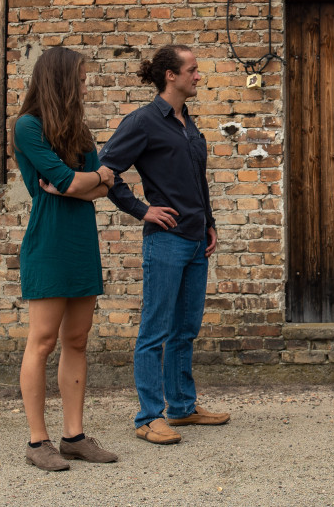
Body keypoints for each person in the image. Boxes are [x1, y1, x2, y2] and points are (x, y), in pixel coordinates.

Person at [99, 44, 229, 446]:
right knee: (154, 331)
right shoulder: (142, 122)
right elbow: (107, 172)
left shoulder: (187, 123)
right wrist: (142, 210)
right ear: (170, 75)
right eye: (192, 70)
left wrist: (209, 223)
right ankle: (147, 417)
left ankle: (183, 407)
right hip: (166, 242)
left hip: (195, 240)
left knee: (185, 329)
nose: (198, 76)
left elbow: (197, 183)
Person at [12, 46, 119, 471]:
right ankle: (38, 443)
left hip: (80, 244)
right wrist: (92, 178)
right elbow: (67, 181)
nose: (84, 85)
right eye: (79, 78)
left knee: (77, 341)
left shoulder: (80, 132)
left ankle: (73, 437)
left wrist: (90, 180)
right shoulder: (27, 127)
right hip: (49, 243)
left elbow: (96, 187)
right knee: (41, 342)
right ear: (59, 81)